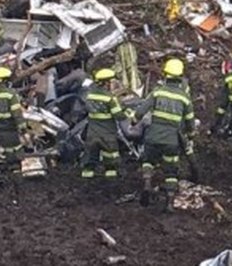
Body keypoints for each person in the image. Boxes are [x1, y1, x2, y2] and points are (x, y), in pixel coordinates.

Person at [134, 58, 195, 210]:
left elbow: (140, 111)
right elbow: (190, 121)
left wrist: (134, 121)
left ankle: (147, 184)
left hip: (153, 136)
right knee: (171, 171)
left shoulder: (157, 92)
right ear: (180, 76)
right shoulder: (184, 97)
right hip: (171, 140)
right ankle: (169, 203)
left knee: (148, 161)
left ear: (165, 74)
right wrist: (191, 135)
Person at [81, 68, 133, 180]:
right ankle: (111, 175)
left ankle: (87, 174)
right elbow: (118, 115)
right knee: (110, 154)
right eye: (111, 82)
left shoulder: (89, 95)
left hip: (92, 131)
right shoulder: (110, 98)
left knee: (91, 153)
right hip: (107, 131)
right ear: (106, 83)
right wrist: (128, 113)